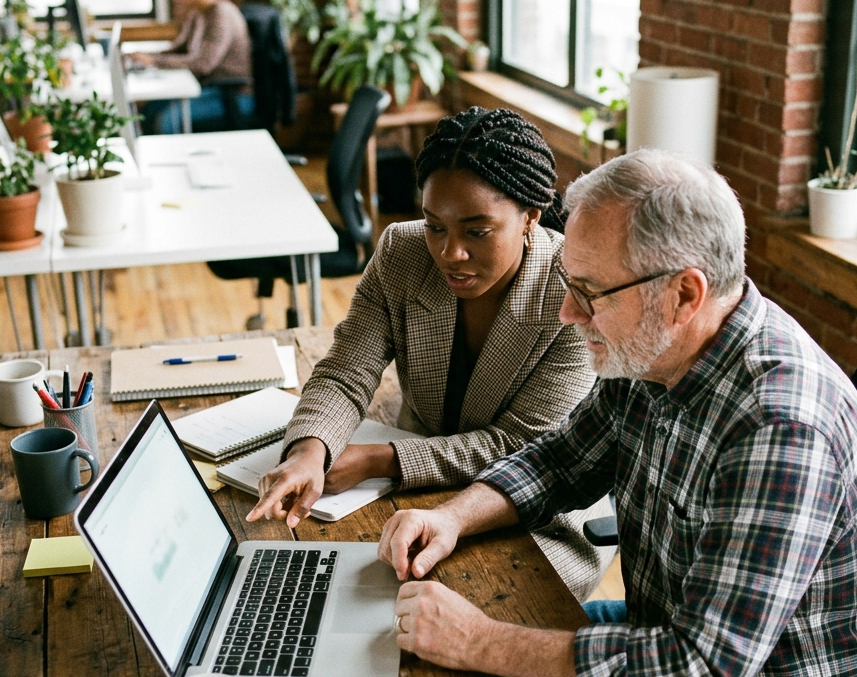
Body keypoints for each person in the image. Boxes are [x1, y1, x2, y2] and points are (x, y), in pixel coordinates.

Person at [377, 149, 857, 677]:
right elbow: (561, 461)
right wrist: (452, 517)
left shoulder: (781, 428)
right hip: (663, 631)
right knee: (424, 667)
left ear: (683, 294)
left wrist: (480, 641)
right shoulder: (653, 348)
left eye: (590, 292)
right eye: (569, 284)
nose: (569, 314)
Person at [246, 107, 616, 600]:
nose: (449, 253)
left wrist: (379, 459)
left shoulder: (572, 295)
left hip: (535, 511)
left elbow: (523, 446)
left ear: (530, 216)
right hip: (411, 483)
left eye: (476, 231)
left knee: (461, 607)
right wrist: (310, 451)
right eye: (435, 225)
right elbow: (346, 371)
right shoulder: (402, 253)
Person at [128, 0, 252, 134]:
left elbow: (204, 64)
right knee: (150, 109)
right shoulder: (198, 13)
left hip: (230, 93)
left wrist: (154, 61)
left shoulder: (221, 13)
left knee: (168, 120)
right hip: (206, 87)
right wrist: (145, 57)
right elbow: (179, 49)